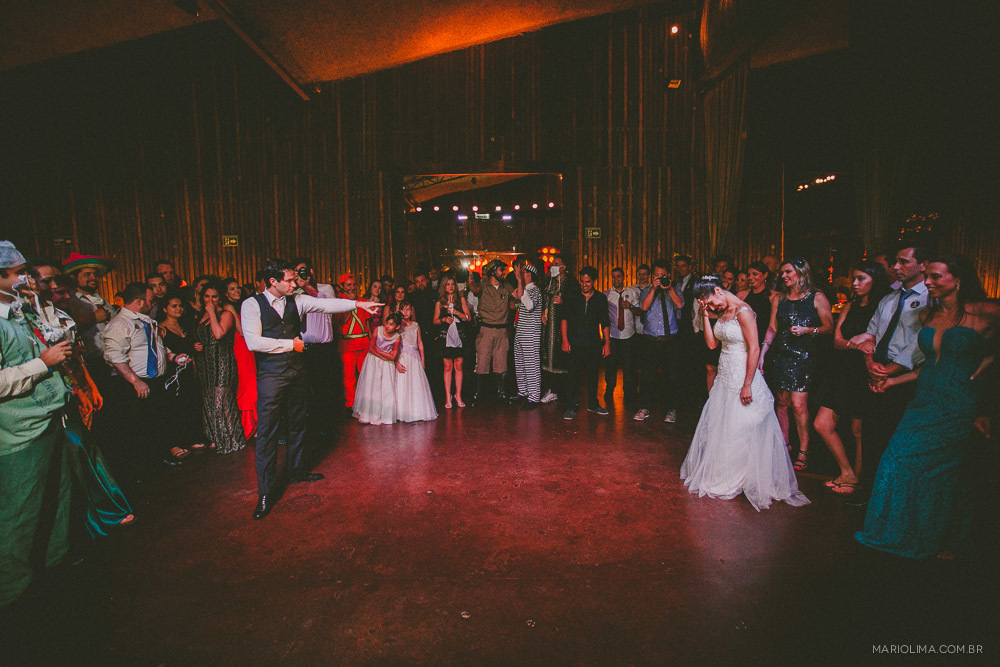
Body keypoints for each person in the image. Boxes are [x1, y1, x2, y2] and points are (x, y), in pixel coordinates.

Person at [856, 254, 998, 558]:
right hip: (924, 397)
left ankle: (943, 539)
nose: (929, 282)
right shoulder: (926, 316)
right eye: (928, 276)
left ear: (957, 280)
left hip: (959, 401)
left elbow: (987, 352)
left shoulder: (986, 311)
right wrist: (892, 382)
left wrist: (989, 362)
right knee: (896, 460)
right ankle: (895, 532)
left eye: (936, 276)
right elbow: (931, 363)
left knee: (944, 473)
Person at [241, 259, 380, 520]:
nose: (296, 284)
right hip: (271, 374)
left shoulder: (298, 300)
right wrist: (289, 345)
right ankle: (265, 492)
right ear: (273, 282)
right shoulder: (251, 304)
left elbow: (326, 304)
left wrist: (358, 304)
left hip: (296, 371)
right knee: (268, 432)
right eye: (290, 280)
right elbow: (253, 341)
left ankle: (295, 471)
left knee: (298, 422)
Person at [680, 275, 810, 511]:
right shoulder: (721, 311)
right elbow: (711, 345)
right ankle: (726, 474)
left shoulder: (744, 311)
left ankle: (746, 477)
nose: (710, 307)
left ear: (718, 290)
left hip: (743, 375)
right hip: (725, 375)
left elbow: (754, 348)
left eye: (709, 302)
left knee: (742, 426)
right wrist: (705, 316)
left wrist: (748, 383)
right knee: (723, 427)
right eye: (706, 305)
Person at [0, 241, 74, 609]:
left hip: (49, 421)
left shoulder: (20, 313)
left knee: (55, 505)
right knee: (19, 516)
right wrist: (42, 363)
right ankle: (15, 598)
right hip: (19, 434)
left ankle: (52, 579)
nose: (26, 277)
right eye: (18, 272)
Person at [847, 246, 931, 493]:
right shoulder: (888, 299)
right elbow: (871, 335)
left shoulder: (930, 300)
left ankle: (895, 499)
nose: (896, 267)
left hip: (906, 380)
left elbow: (921, 342)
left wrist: (889, 371)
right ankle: (871, 496)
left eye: (903, 262)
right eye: (895, 262)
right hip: (876, 375)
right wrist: (870, 364)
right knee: (873, 438)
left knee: (900, 443)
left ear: (923, 265)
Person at [813, 261, 891, 495]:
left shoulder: (883, 308)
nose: (855, 284)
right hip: (843, 370)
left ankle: (857, 480)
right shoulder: (849, 306)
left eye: (861, 279)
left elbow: (879, 342)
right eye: (853, 279)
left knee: (859, 432)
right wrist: (854, 345)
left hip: (864, 372)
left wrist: (864, 346)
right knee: (822, 424)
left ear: (874, 280)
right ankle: (847, 471)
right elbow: (837, 342)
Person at [102, 283, 191, 477]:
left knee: (155, 423)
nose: (153, 304)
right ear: (139, 301)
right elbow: (115, 357)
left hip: (154, 381)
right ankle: (143, 470)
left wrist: (173, 357)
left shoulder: (147, 321)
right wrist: (134, 381)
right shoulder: (120, 324)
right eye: (150, 301)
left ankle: (158, 461)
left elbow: (156, 347)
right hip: (135, 383)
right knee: (139, 428)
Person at [761, 257, 834, 471]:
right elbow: (772, 327)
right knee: (782, 403)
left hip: (804, 357)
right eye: (782, 273)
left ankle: (804, 450)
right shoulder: (779, 300)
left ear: (801, 273)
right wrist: (763, 351)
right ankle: (785, 444)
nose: (783, 276)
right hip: (781, 355)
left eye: (788, 272)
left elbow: (829, 326)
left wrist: (808, 330)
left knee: (799, 405)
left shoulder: (816, 297)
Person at [193, 282, 244, 454]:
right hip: (204, 364)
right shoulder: (200, 317)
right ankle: (218, 440)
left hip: (222, 362)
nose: (210, 300)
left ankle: (233, 441)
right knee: (208, 401)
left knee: (221, 400)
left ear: (220, 297)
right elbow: (200, 336)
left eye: (214, 296)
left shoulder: (226, 314)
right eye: (206, 296)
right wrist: (196, 345)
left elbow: (219, 334)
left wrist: (212, 313)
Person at [633, 258, 684, 423]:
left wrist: (668, 289)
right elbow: (644, 307)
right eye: (656, 275)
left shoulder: (675, 289)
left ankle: (672, 409)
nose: (659, 278)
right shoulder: (646, 291)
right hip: (650, 339)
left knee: (672, 376)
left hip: (670, 340)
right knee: (647, 375)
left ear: (668, 275)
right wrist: (654, 289)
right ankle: (644, 407)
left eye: (663, 275)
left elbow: (680, 305)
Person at [294, 259, 339, 433]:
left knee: (323, 388)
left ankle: (326, 426)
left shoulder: (325, 288)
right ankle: (311, 425)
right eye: (297, 272)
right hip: (303, 347)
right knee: (305, 388)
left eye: (303, 270)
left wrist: (306, 286)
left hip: (324, 348)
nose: (301, 275)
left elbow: (327, 305)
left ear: (311, 271)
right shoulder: (294, 292)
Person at [561, 266, 611, 419]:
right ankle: (571, 405)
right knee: (573, 376)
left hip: (593, 343)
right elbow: (564, 319)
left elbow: (605, 323)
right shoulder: (572, 296)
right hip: (574, 342)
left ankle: (593, 404)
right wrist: (564, 340)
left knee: (593, 375)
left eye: (587, 282)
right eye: (582, 281)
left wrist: (607, 343)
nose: (584, 284)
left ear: (593, 281)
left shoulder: (600, 299)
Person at [158, 293, 206, 451]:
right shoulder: (161, 328)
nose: (179, 309)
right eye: (174, 306)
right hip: (173, 373)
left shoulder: (184, 325)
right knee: (176, 406)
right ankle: (178, 442)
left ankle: (194, 437)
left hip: (189, 371)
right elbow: (160, 351)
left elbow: (188, 345)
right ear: (165, 309)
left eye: (180, 306)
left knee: (192, 403)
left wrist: (195, 347)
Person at [61, 252, 116, 372]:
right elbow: (64, 330)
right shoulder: (68, 300)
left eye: (95, 275)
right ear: (73, 277)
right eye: (87, 274)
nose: (93, 278)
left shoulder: (103, 301)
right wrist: (92, 318)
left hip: (114, 361)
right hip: (91, 363)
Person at [468, 259, 513, 405]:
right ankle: (478, 393)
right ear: (493, 271)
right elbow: (474, 289)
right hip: (486, 329)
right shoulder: (483, 285)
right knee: (482, 362)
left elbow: (518, 295)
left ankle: (501, 393)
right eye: (501, 269)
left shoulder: (506, 287)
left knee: (502, 364)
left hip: (501, 330)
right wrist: (469, 280)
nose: (504, 272)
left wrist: (519, 278)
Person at [353, 311, 404, 425]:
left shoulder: (397, 337)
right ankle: (369, 414)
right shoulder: (378, 329)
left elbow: (393, 356)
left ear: (397, 327)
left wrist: (382, 353)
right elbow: (371, 348)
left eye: (391, 324)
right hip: (373, 361)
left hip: (386, 364)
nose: (387, 326)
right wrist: (383, 356)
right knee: (372, 386)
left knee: (386, 388)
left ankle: (385, 415)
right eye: (387, 323)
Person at [332, 273, 371, 415]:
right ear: (342, 287)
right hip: (347, 343)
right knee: (349, 377)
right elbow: (340, 323)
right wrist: (350, 303)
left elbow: (368, 325)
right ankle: (351, 405)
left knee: (365, 375)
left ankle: (366, 403)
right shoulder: (338, 303)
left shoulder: (363, 301)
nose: (352, 287)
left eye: (354, 284)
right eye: (349, 285)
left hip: (364, 342)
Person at [433, 275, 472, 408]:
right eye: (447, 284)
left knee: (459, 366)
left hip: (459, 337)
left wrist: (456, 313)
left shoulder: (461, 300)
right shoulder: (439, 302)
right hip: (445, 338)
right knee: (447, 367)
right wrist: (443, 320)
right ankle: (448, 396)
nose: (450, 286)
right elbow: (435, 321)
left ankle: (458, 395)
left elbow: (468, 318)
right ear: (444, 287)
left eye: (452, 284)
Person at [395, 302, 438, 422]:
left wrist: (422, 359)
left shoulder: (416, 325)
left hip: (415, 358)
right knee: (403, 384)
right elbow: (395, 345)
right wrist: (396, 361)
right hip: (403, 357)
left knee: (416, 384)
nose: (406, 312)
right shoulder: (398, 326)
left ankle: (416, 411)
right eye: (403, 310)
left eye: (408, 309)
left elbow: (420, 343)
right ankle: (402, 411)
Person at [604, 267, 640, 407]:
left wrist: (630, 306)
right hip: (613, 336)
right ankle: (609, 390)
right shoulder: (607, 294)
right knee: (611, 367)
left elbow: (639, 312)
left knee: (628, 367)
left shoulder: (631, 293)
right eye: (613, 277)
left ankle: (629, 394)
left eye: (618, 276)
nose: (616, 279)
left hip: (628, 336)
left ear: (623, 277)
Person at [541, 255, 574, 403]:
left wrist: (564, 301)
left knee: (561, 359)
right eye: (552, 264)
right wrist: (544, 311)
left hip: (563, 327)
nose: (553, 266)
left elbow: (576, 303)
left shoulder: (571, 283)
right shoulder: (549, 281)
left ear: (564, 267)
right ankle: (551, 389)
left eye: (557, 264)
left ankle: (563, 392)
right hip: (549, 327)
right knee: (548, 357)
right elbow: (546, 299)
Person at [512, 259, 543, 406]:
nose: (520, 275)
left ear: (529, 275)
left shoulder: (535, 290)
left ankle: (534, 396)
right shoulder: (526, 290)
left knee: (531, 365)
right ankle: (523, 392)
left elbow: (529, 305)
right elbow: (518, 299)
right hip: (520, 332)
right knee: (520, 364)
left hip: (530, 334)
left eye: (522, 273)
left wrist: (519, 281)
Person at [737, 261, 774, 344]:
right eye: (749, 275)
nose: (750, 277)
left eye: (755, 274)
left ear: (765, 275)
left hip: (765, 341)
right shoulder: (741, 295)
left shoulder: (774, 296)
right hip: (744, 340)